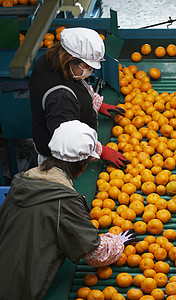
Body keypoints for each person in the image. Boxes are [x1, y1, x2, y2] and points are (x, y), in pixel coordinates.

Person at [0, 120, 138, 300]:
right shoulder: (64, 201)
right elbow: (95, 254)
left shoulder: (24, 179)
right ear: (83, 165)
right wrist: (117, 242)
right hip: (17, 289)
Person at [29, 27, 128, 169]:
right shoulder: (60, 97)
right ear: (71, 59)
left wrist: (94, 103)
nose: (90, 70)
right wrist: (101, 151)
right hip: (60, 162)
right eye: (87, 66)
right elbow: (68, 141)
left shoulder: (51, 60)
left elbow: (75, 85)